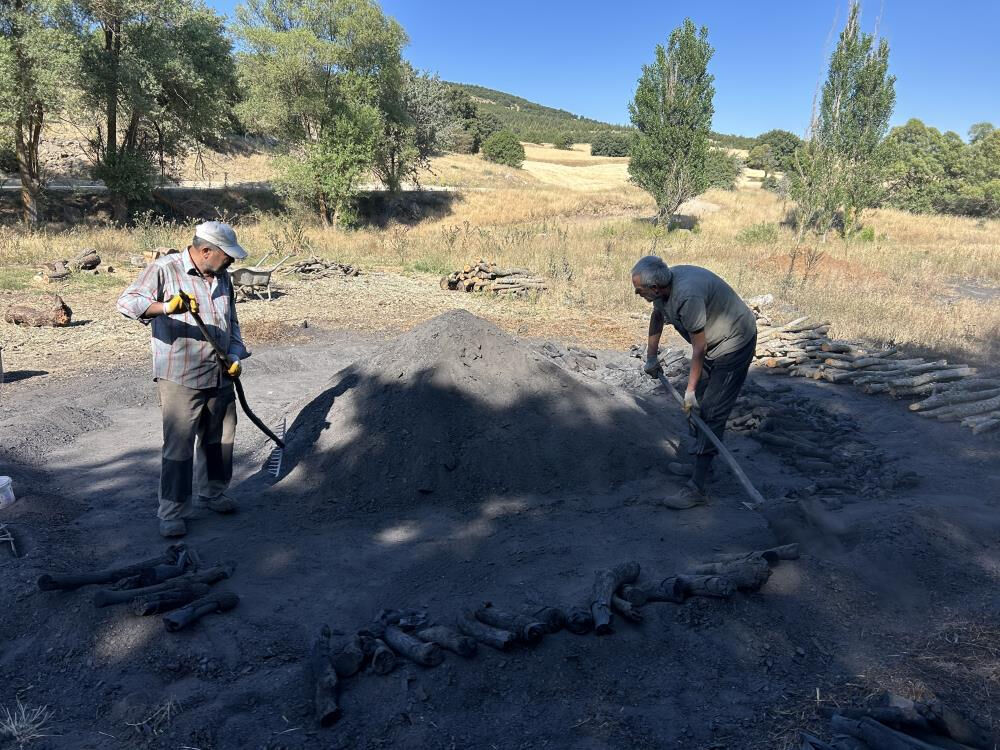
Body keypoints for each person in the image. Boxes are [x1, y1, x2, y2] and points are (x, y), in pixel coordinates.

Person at [118, 221, 250, 537]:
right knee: (179, 447)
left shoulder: (223, 278)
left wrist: (234, 355)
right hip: (180, 376)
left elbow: (232, 321)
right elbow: (126, 302)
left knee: (220, 440)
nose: (231, 262)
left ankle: (213, 493)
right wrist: (166, 307)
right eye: (227, 256)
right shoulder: (165, 269)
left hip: (219, 373)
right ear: (206, 251)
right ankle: (173, 511)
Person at [631, 255, 757, 509]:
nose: (636, 293)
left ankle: (697, 489)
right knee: (697, 408)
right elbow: (658, 317)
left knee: (711, 412)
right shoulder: (662, 289)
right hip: (712, 344)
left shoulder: (687, 296)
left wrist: (689, 391)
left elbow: (699, 348)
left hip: (734, 344)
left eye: (639, 290)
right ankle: (703, 466)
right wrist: (651, 356)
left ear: (654, 288)